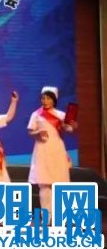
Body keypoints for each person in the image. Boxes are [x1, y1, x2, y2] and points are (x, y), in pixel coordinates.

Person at [28, 86, 77, 224]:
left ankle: (60, 215)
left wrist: (73, 126)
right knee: (44, 185)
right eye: (43, 98)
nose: (45, 101)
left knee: (59, 183)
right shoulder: (36, 114)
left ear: (54, 100)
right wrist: (37, 133)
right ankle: (46, 217)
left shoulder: (61, 115)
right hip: (42, 150)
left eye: (48, 98)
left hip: (57, 150)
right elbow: (30, 132)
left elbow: (69, 129)